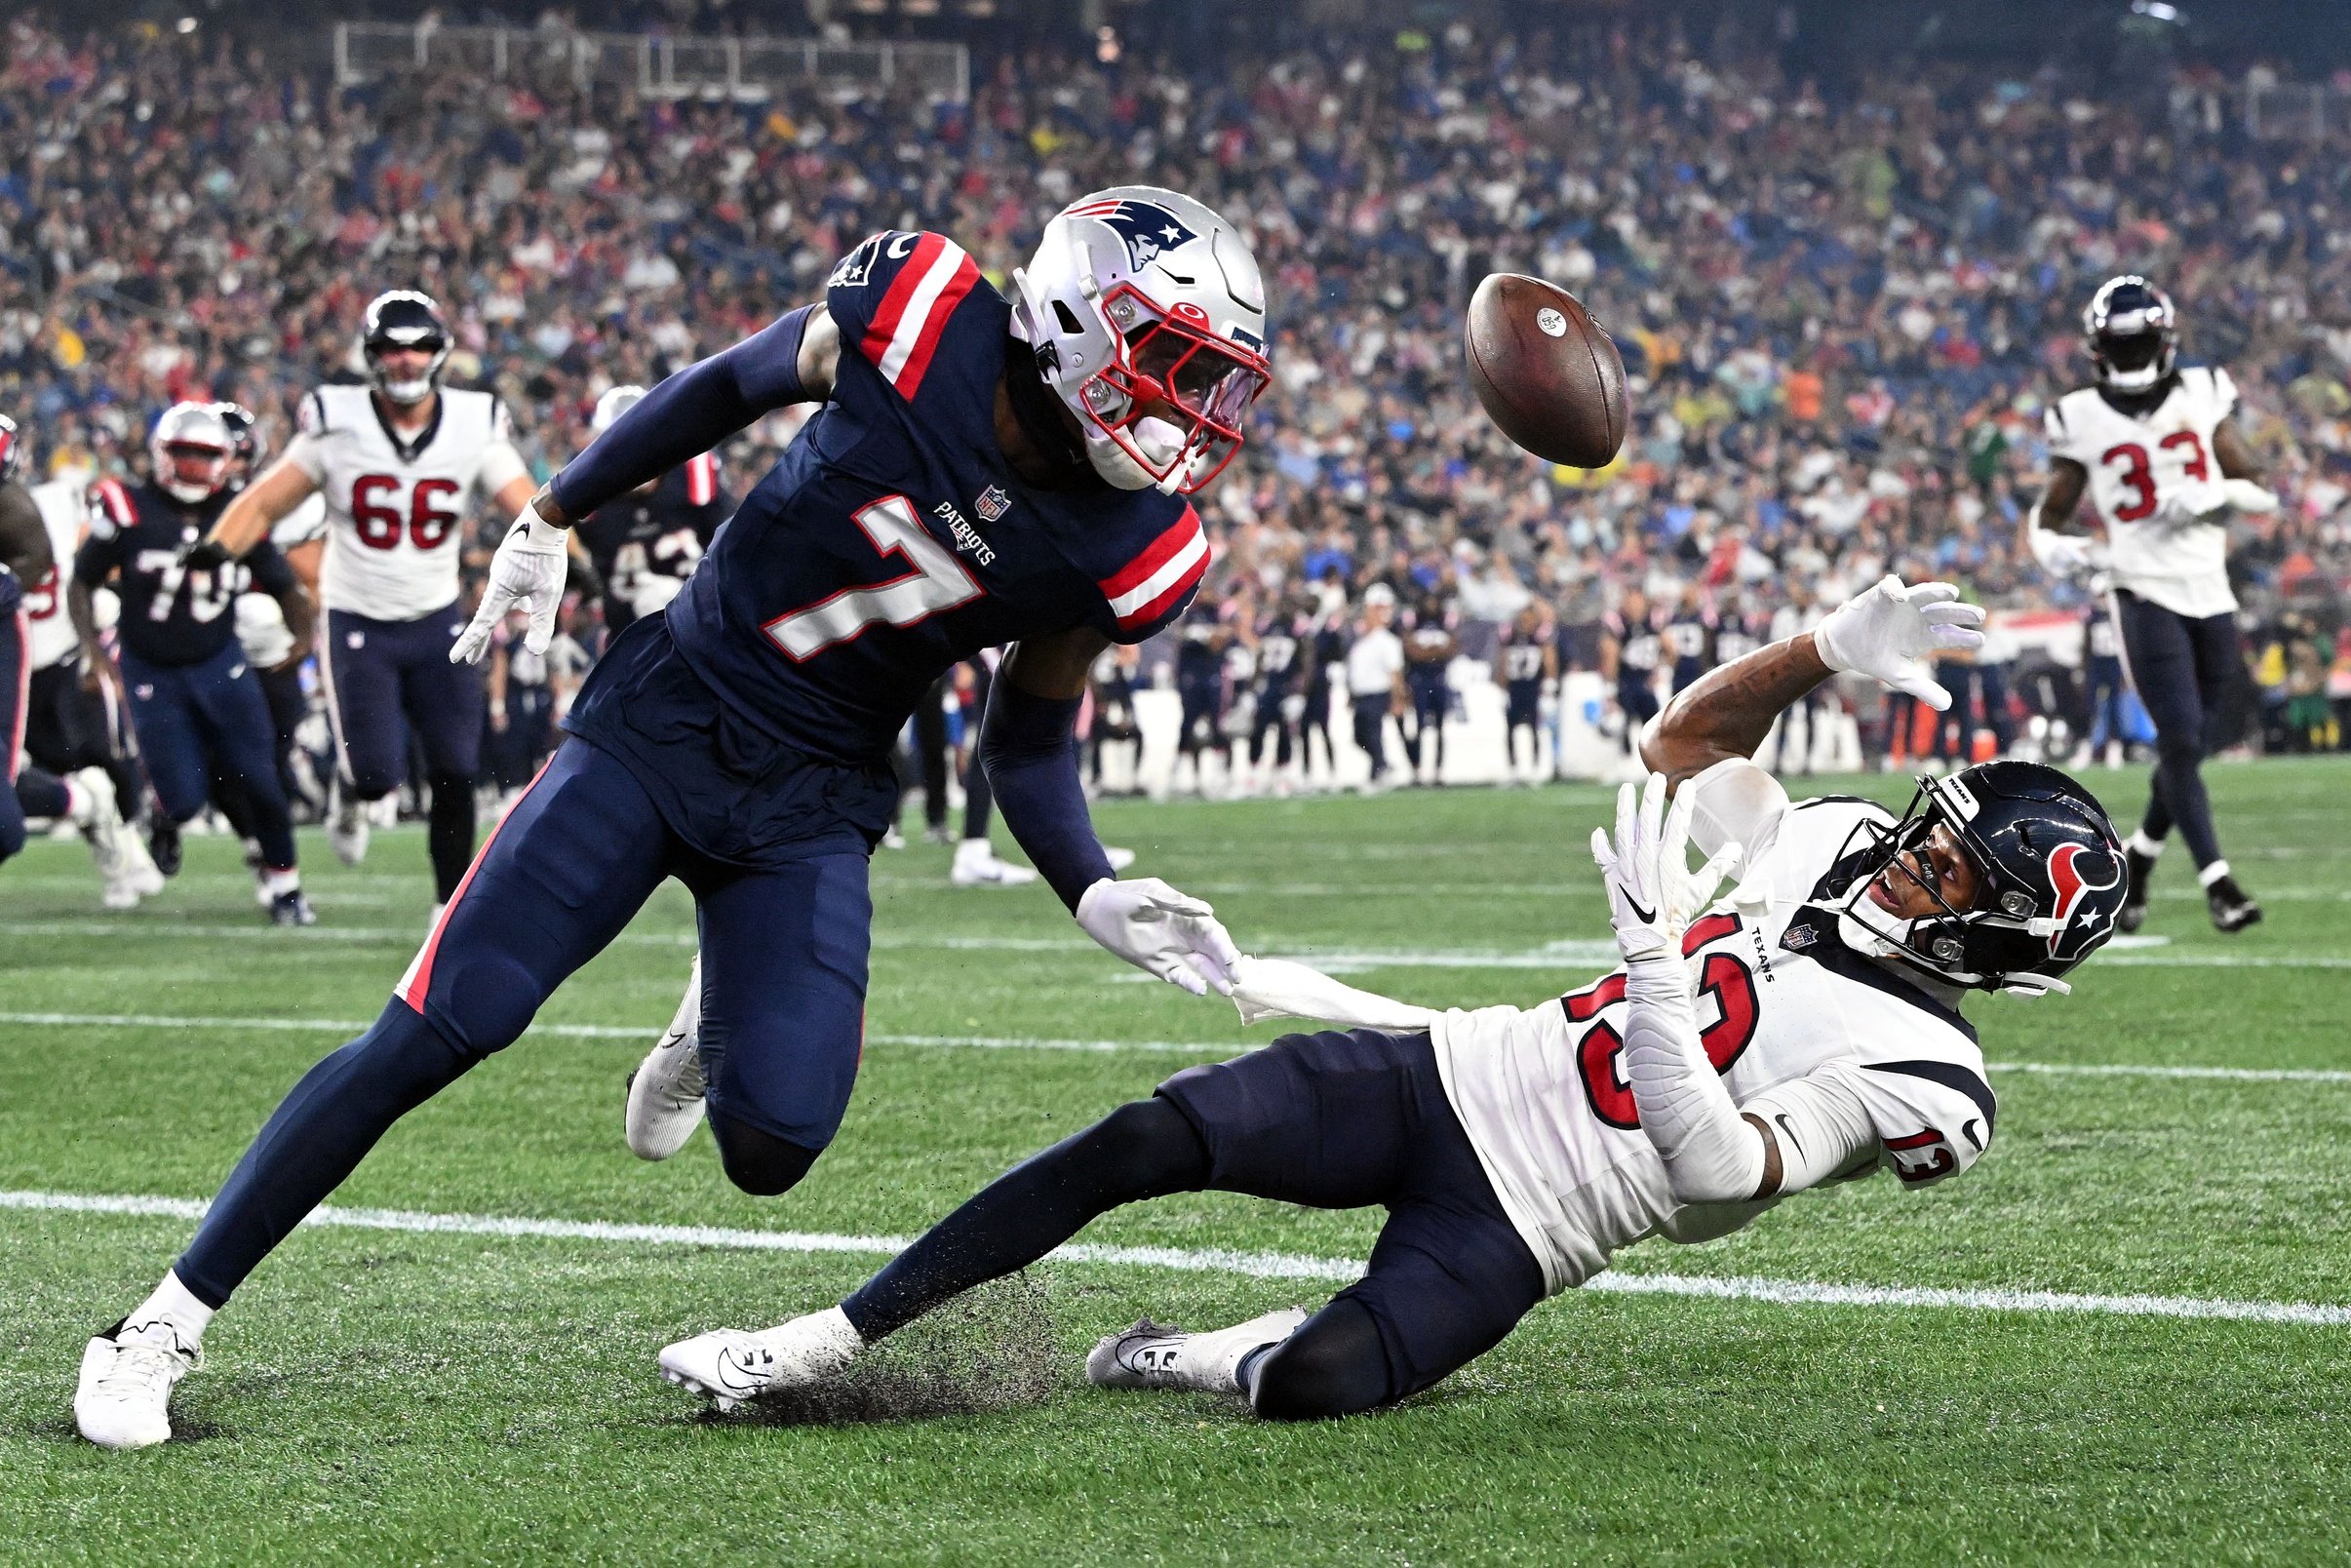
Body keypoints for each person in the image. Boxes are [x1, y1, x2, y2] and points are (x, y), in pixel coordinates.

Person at [74, 187, 1272, 1448]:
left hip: (812, 801)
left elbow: (1025, 741)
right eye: (1171, 369)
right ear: (1076, 323)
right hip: (666, 716)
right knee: (442, 1024)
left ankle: (713, 1010)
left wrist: (1088, 886)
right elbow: (722, 387)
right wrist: (551, 516)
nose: (1185, 413)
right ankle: (157, 1322)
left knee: (770, 1147)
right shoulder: (919, 315)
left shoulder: (1134, 545)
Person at [656, 578, 2126, 1423]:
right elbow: (1683, 743)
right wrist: (1820, 649)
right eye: (1928, 833)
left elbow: (1709, 1171)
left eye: (1947, 875)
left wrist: (1655, 970)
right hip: (1449, 1074)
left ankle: (1226, 1346)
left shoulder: (1928, 1078)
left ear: (2005, 944)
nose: (1910, 861)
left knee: (1313, 1391)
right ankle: (821, 1340)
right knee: (1137, 1141)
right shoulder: (1820, 841)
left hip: (1531, 1224)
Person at [185, 291, 541, 915]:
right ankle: (351, 793)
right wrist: (217, 549)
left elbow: (533, 505)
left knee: (456, 769)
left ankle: (445, 912)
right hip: (359, 618)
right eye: (392, 349)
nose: (406, 362)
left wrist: (573, 556)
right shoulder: (335, 418)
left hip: (438, 617)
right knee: (378, 775)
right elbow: (268, 501)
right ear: (372, 356)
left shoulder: (474, 420)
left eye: (419, 347)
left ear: (440, 353)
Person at [2025, 276, 2268, 933]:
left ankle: (2136, 859)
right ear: (2097, 350)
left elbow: (2258, 488)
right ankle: (2219, 884)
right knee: (2181, 738)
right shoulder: (2079, 415)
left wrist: (2216, 494)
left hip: (2208, 588)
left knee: (2203, 738)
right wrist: (2053, 552)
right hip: (2139, 588)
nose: (2130, 358)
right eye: (2119, 346)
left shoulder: (2201, 390)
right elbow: (2049, 515)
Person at [69, 404, 317, 924]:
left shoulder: (238, 513)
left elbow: (283, 584)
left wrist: (303, 638)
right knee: (184, 799)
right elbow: (82, 580)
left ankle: (286, 887)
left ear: (225, 460)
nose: (194, 468)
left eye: (206, 457)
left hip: (219, 662)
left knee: (263, 781)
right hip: (151, 668)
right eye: (184, 455)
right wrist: (94, 652)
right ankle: (165, 813)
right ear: (162, 455)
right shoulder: (128, 507)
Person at [12, 417, 160, 906]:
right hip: (51, 650)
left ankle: (100, 818)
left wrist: (95, 643)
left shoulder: (45, 504)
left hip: (34, 657)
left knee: (38, 773)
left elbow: (90, 563)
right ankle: (103, 824)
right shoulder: (58, 499)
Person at [569, 384, 725, 640]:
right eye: (618, 444)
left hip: (704, 628)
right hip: (629, 640)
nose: (632, 455)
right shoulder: (586, 493)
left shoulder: (694, 473)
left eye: (641, 439)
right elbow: (577, 574)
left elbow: (730, 544)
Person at [1343, 584, 1404, 790]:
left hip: (1378, 693)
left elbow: (1395, 674)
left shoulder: (1387, 641)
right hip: (1361, 694)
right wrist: (1350, 694)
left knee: (1372, 733)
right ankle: (1382, 765)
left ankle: (1379, 772)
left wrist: (1397, 699)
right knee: (1359, 736)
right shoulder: (1360, 640)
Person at [1495, 600, 1556, 785]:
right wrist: (1502, 689)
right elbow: (1503, 660)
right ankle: (1513, 769)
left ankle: (1537, 767)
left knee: (1534, 728)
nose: (1526, 622)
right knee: (1510, 729)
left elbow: (1549, 659)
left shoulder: (1540, 635)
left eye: (1530, 619)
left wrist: (1549, 686)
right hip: (1514, 687)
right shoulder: (1509, 635)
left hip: (1533, 687)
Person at [1399, 588, 1457, 785]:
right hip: (1419, 679)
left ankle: (1439, 770)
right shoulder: (1413, 620)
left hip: (1439, 678)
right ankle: (1418, 769)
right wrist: (1434, 652)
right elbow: (1411, 651)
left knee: (1441, 727)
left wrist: (1426, 652)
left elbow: (1452, 648)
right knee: (1419, 727)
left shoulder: (1445, 620)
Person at [1601, 588, 1664, 755]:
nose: (1635, 607)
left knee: (1654, 726)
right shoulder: (1619, 623)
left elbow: (1670, 648)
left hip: (1647, 681)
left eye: (1638, 602)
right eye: (1631, 602)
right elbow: (1611, 656)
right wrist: (1610, 688)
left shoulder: (1653, 620)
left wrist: (1660, 671)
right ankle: (1627, 761)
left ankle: (1652, 763)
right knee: (1625, 723)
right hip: (1627, 680)